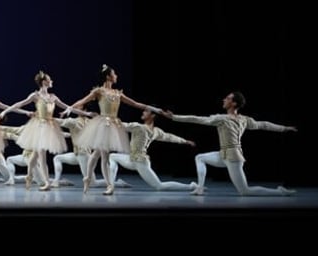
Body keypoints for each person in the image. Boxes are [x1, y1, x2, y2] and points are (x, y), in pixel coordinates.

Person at [162, 92, 297, 196]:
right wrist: (284, 128)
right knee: (200, 157)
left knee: (245, 191)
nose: (224, 100)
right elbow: (264, 124)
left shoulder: (225, 119)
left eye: (227, 98)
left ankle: (280, 192)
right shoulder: (241, 119)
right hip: (224, 154)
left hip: (233, 157)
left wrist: (174, 117)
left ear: (233, 103)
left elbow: (197, 119)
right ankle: (200, 188)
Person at [67, 64, 161, 194]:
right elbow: (82, 101)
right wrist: (70, 108)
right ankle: (107, 185)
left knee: (97, 155)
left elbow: (135, 104)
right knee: (102, 156)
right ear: (108, 76)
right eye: (114, 74)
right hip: (102, 124)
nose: (116, 76)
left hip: (113, 125)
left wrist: (154, 109)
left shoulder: (118, 93)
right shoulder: (99, 91)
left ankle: (89, 179)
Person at [0, 71, 82, 190]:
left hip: (49, 126)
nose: (51, 81)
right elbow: (19, 104)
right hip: (39, 127)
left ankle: (29, 176)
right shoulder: (35, 96)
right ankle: (47, 182)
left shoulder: (53, 97)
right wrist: (5, 111)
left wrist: (85, 113)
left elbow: (68, 107)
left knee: (36, 154)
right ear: (44, 82)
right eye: (49, 79)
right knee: (42, 155)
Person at [104, 108, 197, 194]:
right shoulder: (156, 131)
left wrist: (108, 118)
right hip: (132, 160)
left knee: (159, 186)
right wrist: (185, 141)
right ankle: (111, 185)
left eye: (146, 111)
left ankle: (191, 186)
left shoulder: (139, 127)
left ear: (153, 116)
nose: (143, 112)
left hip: (140, 162)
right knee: (112, 156)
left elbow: (121, 125)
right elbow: (170, 137)